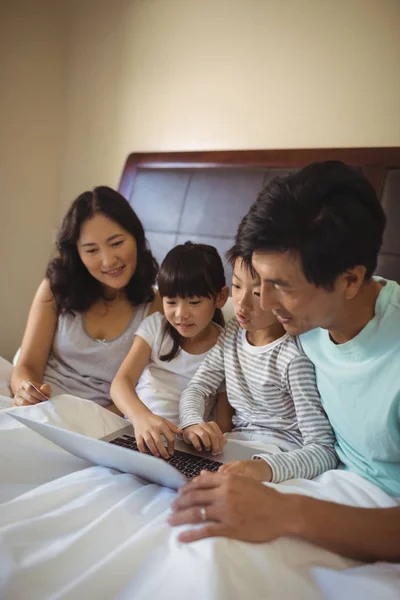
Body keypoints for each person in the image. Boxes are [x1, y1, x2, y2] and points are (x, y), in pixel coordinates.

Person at [169, 161, 400, 562]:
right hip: (320, 484)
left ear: (349, 280)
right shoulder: (303, 322)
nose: (263, 303)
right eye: (258, 281)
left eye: (281, 287)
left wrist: (287, 512)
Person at [179, 243, 338, 483]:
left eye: (256, 293)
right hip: (232, 449)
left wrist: (265, 468)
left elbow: (323, 449)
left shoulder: (293, 358)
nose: (241, 304)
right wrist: (192, 422)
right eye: (236, 285)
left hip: (278, 459)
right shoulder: (232, 332)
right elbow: (197, 388)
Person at [11, 186, 160, 409]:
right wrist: (27, 391)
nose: (108, 260)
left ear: (136, 238)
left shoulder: (157, 306)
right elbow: (27, 365)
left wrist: (91, 428)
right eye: (91, 250)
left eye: (116, 243)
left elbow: (141, 393)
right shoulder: (56, 287)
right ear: (77, 254)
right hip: (41, 409)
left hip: (100, 421)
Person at [110, 242, 229, 459]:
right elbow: (121, 383)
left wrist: (203, 437)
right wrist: (141, 418)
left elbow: (223, 424)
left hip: (183, 448)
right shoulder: (156, 327)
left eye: (194, 302)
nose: (180, 314)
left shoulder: (227, 347)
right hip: (136, 432)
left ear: (220, 298)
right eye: (171, 302)